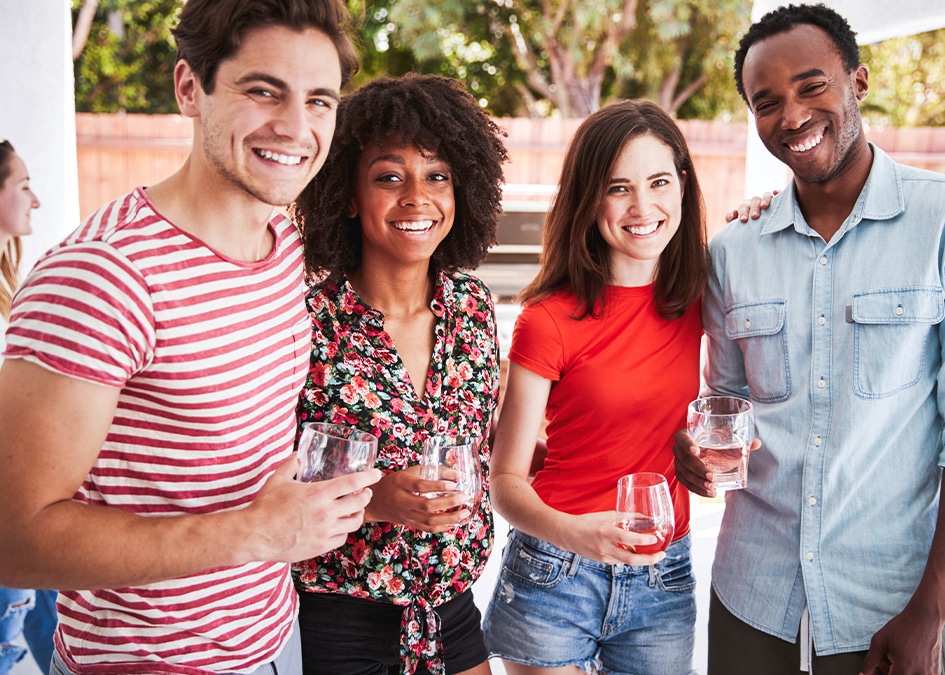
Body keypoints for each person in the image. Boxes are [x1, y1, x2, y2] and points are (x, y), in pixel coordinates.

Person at [0, 2, 382, 673]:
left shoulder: (288, 247)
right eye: (263, 90)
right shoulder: (103, 277)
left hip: (274, 642)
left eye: (319, 100)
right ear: (189, 88)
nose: (296, 127)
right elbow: (13, 538)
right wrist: (255, 531)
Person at [674, 5, 945, 674]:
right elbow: (724, 402)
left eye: (811, 86)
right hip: (753, 595)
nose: (792, 116)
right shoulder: (734, 250)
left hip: (894, 602)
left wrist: (931, 608)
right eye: (765, 101)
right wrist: (695, 454)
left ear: (858, 81)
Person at [288, 74, 507, 675]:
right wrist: (374, 500)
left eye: (437, 175)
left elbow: (479, 439)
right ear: (350, 195)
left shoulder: (473, 307)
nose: (418, 197)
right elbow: (263, 477)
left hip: (452, 608)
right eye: (389, 177)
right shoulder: (306, 319)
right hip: (340, 619)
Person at [483, 99, 707, 675]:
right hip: (556, 570)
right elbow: (506, 481)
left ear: (682, 184)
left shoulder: (706, 292)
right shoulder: (548, 319)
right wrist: (574, 535)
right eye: (617, 188)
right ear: (589, 199)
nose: (642, 207)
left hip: (663, 573)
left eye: (659, 181)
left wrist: (762, 206)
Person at [0, 140, 59, 675]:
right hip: (8, 502)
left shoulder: (10, 289)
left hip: (31, 491)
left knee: (50, 630)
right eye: (22, 185)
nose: (35, 200)